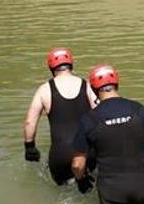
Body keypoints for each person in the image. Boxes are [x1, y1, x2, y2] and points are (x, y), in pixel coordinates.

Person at [72, 64, 144, 204]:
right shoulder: (139, 110)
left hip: (112, 192)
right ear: (117, 83)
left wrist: (81, 181)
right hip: (140, 187)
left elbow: (78, 164)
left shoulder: (89, 119)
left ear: (94, 90)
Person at [23, 47, 98, 191]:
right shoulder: (87, 86)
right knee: (90, 189)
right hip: (87, 153)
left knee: (62, 194)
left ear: (51, 68)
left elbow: (29, 122)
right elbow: (102, 114)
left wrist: (30, 147)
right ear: (71, 65)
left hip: (60, 155)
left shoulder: (44, 89)